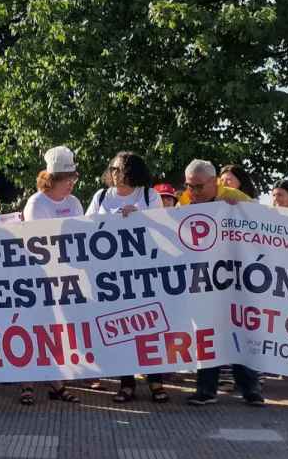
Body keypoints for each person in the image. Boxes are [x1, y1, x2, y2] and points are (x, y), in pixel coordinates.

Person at [86, 152, 168, 403]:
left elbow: (162, 228)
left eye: (119, 168)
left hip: (143, 273)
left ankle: (155, 380)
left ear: (132, 171)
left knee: (149, 328)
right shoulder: (101, 197)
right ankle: (126, 383)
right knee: (119, 329)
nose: (113, 172)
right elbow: (85, 227)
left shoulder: (149, 196)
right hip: (111, 276)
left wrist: (139, 216)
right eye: (111, 168)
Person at [180, 159, 263, 407]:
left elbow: (262, 230)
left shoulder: (237, 198)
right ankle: (206, 390)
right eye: (189, 186)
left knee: (238, 331)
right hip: (204, 280)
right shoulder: (185, 201)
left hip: (235, 279)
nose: (192, 192)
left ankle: (250, 388)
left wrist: (241, 213)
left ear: (214, 182)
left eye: (198, 186)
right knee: (207, 333)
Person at [18, 146, 84, 405]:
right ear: (54, 180)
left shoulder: (75, 203)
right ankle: (27, 383)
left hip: (67, 278)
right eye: (68, 180)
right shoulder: (37, 203)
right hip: (39, 276)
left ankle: (57, 383)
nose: (72, 184)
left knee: (58, 331)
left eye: (73, 179)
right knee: (35, 328)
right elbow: (40, 241)